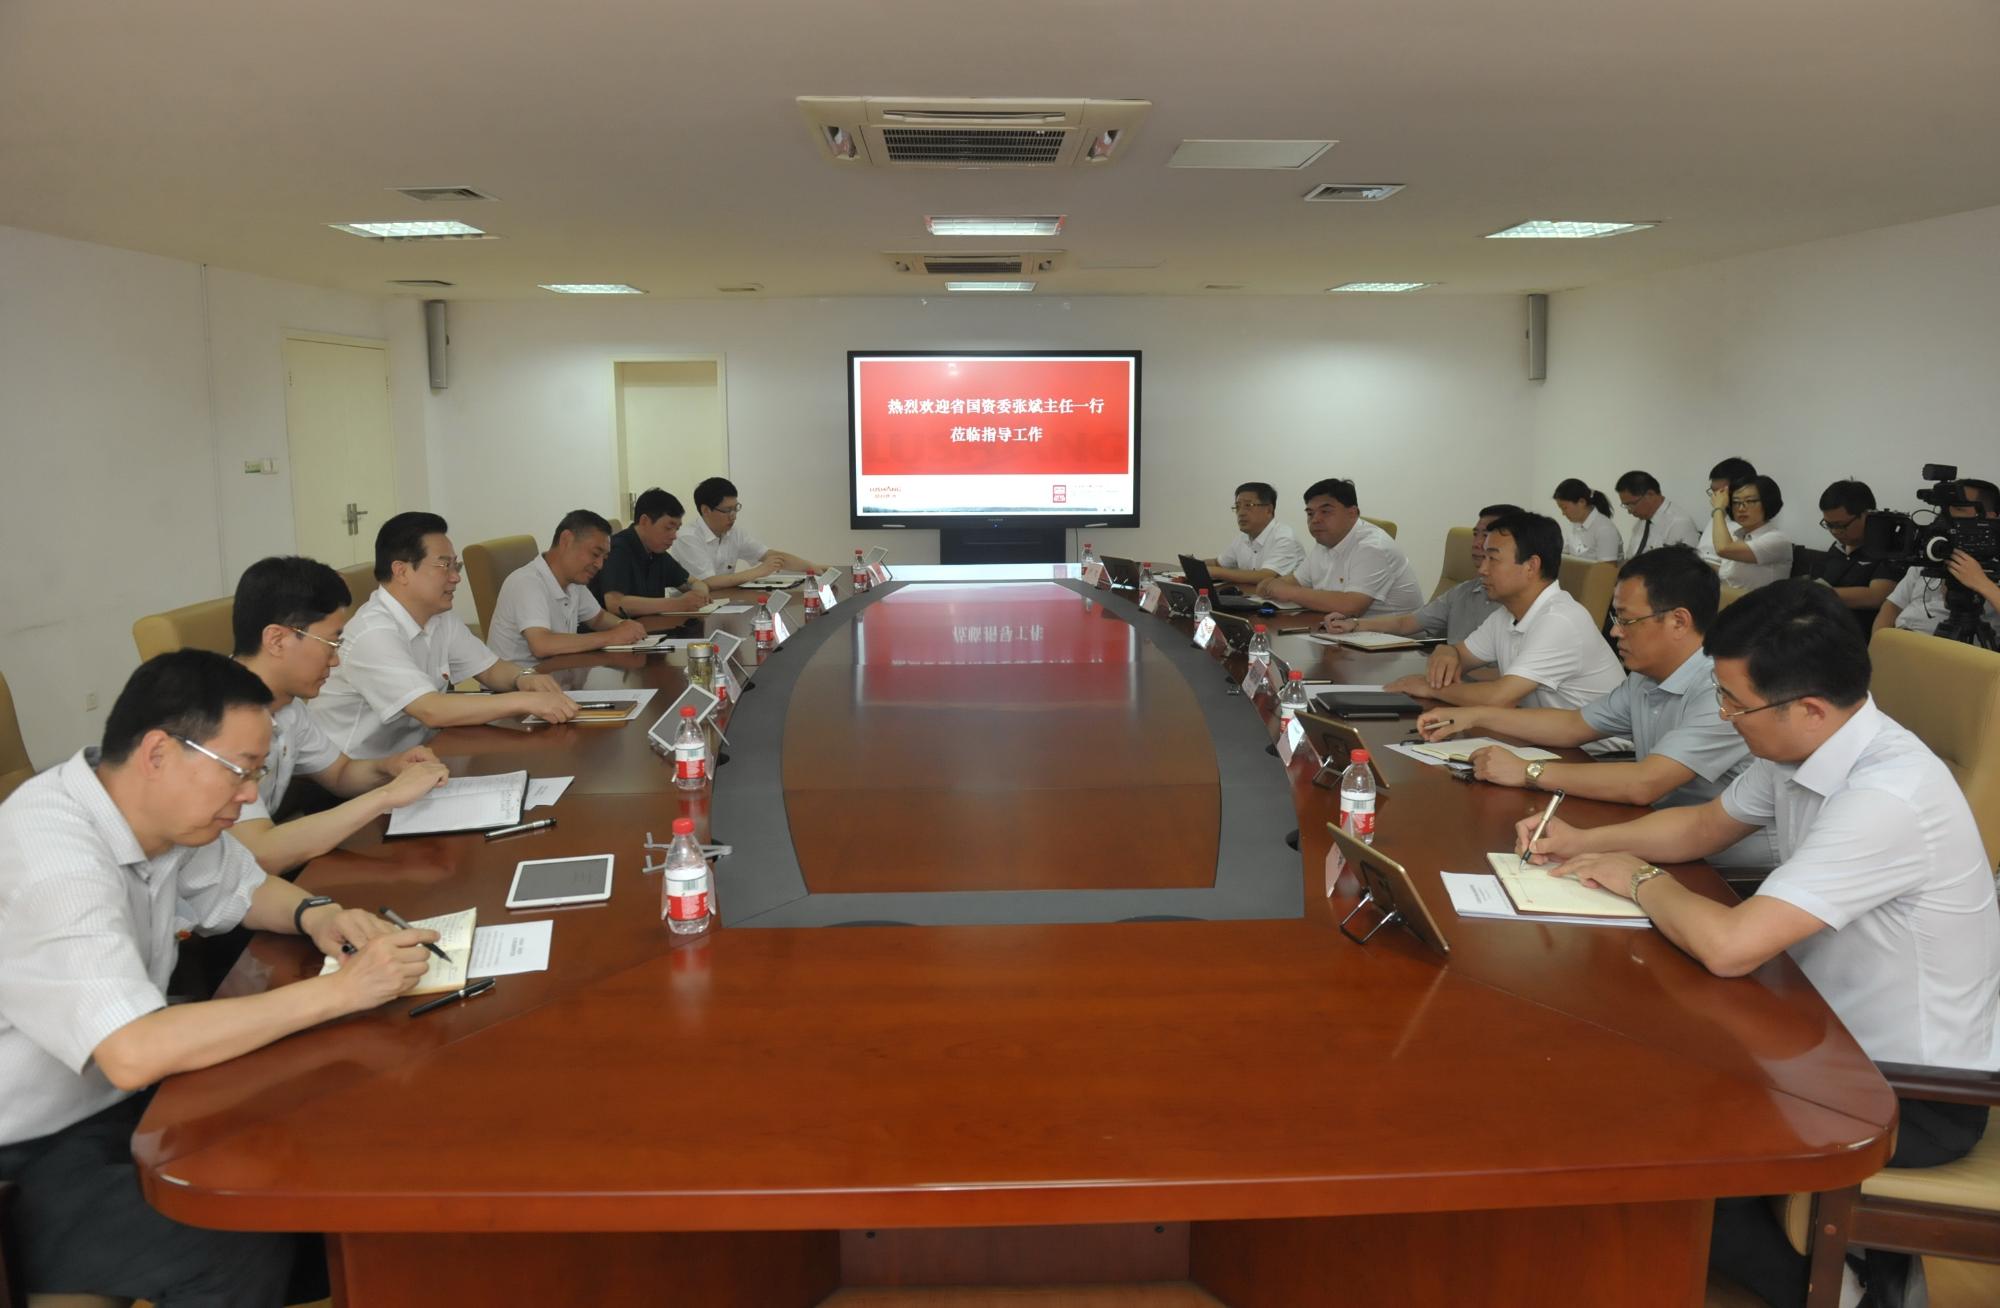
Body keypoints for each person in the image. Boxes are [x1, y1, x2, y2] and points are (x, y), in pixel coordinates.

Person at [1514, 580, 1999, 1308]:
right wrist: (1582, 842)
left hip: (1909, 1091)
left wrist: (1637, 878)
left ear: (1809, 708)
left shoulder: (1887, 796)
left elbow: (1732, 947)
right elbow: (1703, 826)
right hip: (1813, 1030)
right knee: (1626, 1056)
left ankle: (1843, 1294)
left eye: (1734, 703)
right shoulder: (1804, 747)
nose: (1723, 715)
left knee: (1662, 1133)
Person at [0, 650, 441, 1307]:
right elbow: (130, 1050)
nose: (250, 795)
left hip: (125, 1106)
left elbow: (242, 888)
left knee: (322, 1147)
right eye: (239, 771)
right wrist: (340, 991)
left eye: (256, 773)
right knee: (238, 1230)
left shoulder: (154, 813)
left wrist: (318, 915)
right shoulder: (54, 861)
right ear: (158, 752)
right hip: (31, 1152)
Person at [1414, 545, 1772, 866]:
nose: (1615, 632)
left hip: (1720, 861)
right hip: (1656, 827)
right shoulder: (1646, 677)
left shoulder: (1721, 688)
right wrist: (1474, 716)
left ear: (1678, 621)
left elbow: (1645, 783)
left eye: (1626, 620)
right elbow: (1573, 726)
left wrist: (1527, 771)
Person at [229, 556, 450, 873]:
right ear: (277, 640)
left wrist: (390, 767)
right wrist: (388, 795)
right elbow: (261, 853)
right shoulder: (219, 720)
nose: (335, 661)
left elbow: (340, 774)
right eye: (330, 644)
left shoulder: (287, 704)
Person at [311, 511, 581, 758]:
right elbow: (431, 709)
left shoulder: (439, 616)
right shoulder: (372, 633)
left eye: (456, 566)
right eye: (444, 566)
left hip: (419, 756)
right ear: (401, 571)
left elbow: (490, 670)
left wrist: (525, 678)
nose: (456, 578)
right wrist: (525, 701)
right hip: (357, 772)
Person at [1382, 511, 1624, 709]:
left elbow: (1499, 697)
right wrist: (1448, 651)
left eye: (1493, 559)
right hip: (1542, 738)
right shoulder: (1505, 615)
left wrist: (1428, 688)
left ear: (1531, 566)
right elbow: (1461, 656)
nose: (1482, 570)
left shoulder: (1559, 620)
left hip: (1599, 750)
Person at [1318, 504, 1517, 645]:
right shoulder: (1463, 591)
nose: (1477, 543)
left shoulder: (1518, 604)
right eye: (1476, 534)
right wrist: (1353, 624)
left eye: (1487, 536)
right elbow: (1407, 622)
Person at [485, 510, 648, 663]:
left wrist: (623, 626)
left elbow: (597, 618)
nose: (600, 565)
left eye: (604, 558)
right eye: (595, 554)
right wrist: (611, 637)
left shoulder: (573, 581)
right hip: (519, 680)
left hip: (556, 672)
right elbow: (541, 645)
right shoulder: (527, 582)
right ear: (566, 540)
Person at [1254, 478, 1423, 617]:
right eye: (1310, 513)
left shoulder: (1373, 547)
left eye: (1325, 511)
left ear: (1352, 513)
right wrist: (1271, 584)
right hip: (1346, 632)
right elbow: (1295, 581)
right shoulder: (1324, 542)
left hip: (1397, 641)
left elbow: (1351, 606)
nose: (1315, 520)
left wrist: (1288, 592)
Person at [1873, 478, 2000, 639]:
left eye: (1958, 508)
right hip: (1900, 641)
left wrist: (1981, 583)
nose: (1945, 518)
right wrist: (1876, 646)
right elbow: (1892, 606)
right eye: (1943, 509)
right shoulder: (1932, 553)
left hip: (1949, 651)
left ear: (1989, 517)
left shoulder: (1995, 566)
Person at [669, 476, 825, 589]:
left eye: (735, 508)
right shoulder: (687, 537)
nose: (733, 516)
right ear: (705, 510)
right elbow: (708, 582)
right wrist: (759, 571)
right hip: (690, 610)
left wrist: (814, 567)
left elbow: (771, 556)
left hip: (724, 601)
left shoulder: (733, 532)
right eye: (727, 510)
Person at [595, 487, 712, 618]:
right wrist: (676, 604)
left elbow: (694, 582)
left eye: (677, 529)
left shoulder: (657, 551)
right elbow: (615, 603)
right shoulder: (617, 549)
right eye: (668, 528)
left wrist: (700, 595)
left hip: (650, 625)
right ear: (644, 521)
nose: (674, 536)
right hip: (617, 628)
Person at [1809, 479, 1898, 630]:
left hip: (1856, 631)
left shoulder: (1888, 548)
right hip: (1821, 624)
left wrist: (1815, 593)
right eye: (1829, 525)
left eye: (1840, 525)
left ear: (1866, 515)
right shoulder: (1839, 545)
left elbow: (1877, 596)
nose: (1835, 532)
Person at [1205, 481, 1305, 586]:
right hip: (1249, 595)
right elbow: (1218, 563)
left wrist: (1216, 572)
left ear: (1269, 510)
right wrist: (1194, 565)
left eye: (1248, 505)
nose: (1241, 513)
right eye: (1237, 507)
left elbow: (1265, 576)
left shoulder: (1285, 538)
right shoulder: (1242, 538)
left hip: (1282, 597)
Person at [1709, 474, 1794, 592]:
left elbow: (1723, 549)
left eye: (1749, 501)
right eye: (1736, 502)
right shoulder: (1737, 537)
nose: (1741, 508)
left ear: (1767, 502)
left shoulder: (1777, 540)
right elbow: (1729, 578)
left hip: (1761, 603)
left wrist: (1718, 509)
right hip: (1729, 600)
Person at [1614, 470, 1703, 556]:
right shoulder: (1641, 523)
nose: (1630, 511)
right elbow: (1630, 557)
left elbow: (1687, 564)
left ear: (1650, 494)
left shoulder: (1679, 523)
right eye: (1626, 505)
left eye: (1632, 504)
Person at [1552, 478, 1623, 561]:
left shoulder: (1605, 529)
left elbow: (1607, 567)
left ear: (1582, 502)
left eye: (1564, 508)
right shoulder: (1575, 524)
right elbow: (1566, 554)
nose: (1563, 513)